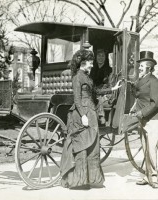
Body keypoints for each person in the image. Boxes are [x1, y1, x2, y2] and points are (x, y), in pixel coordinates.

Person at [60, 49, 121, 190]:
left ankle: (91, 179)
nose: (92, 65)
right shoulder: (77, 77)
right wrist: (83, 115)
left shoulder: (88, 77)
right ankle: (78, 181)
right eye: (90, 63)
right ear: (83, 63)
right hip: (83, 114)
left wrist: (113, 89)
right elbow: (77, 98)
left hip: (91, 112)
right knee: (82, 144)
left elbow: (96, 92)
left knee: (93, 145)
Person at [128, 51, 158, 188]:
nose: (139, 67)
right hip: (143, 119)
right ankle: (147, 176)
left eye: (142, 66)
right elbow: (138, 96)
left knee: (151, 149)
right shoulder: (141, 80)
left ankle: (155, 178)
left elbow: (155, 103)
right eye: (139, 65)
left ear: (149, 67)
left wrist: (141, 113)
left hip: (152, 119)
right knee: (145, 148)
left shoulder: (153, 81)